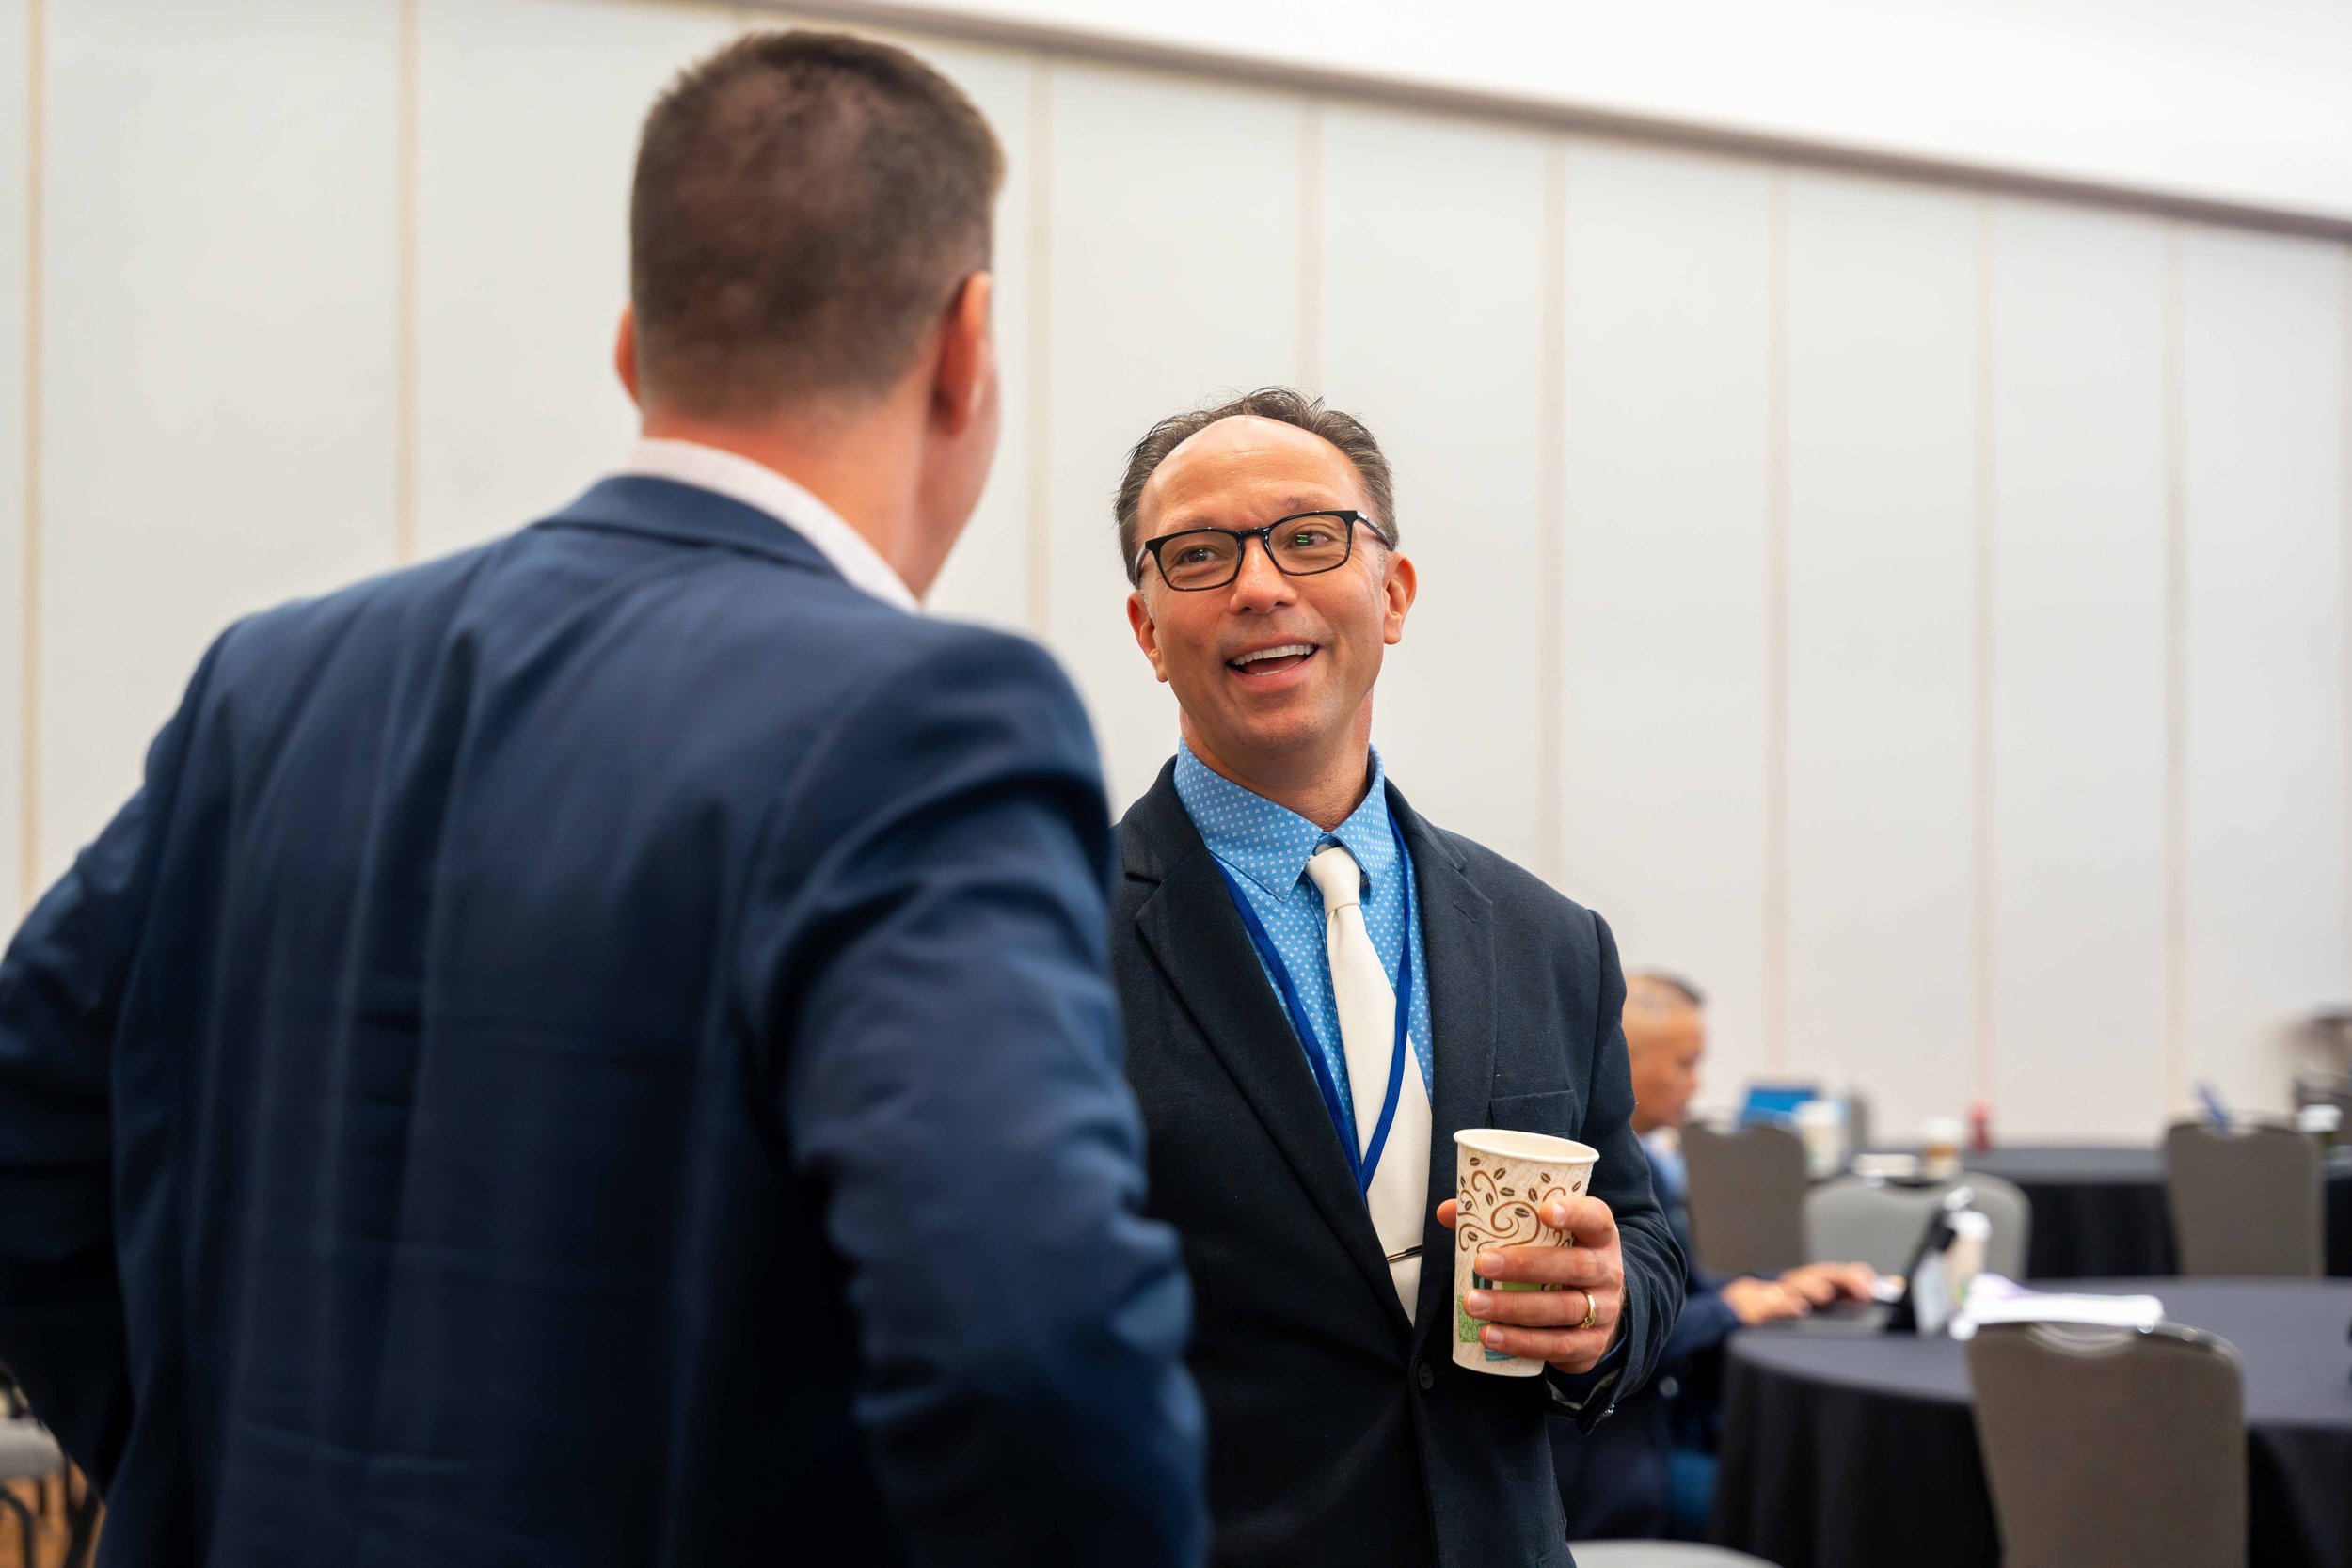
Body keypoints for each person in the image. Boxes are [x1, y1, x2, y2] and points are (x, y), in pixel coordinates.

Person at [0, 32, 1204, 1567]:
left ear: (635, 347)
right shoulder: (926, 722)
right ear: (967, 347)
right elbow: (1031, 1353)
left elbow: (27, 1120)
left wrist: (205, 1473)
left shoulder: (274, 684)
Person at [1104, 387, 1684, 1566]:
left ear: (1393, 592)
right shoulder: (1049, 937)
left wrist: (1607, 1310)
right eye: (1201, 556)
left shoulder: (1549, 938)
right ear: (1148, 630)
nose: (1260, 585)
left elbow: (1640, 1229)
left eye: (1309, 538)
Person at [1550, 972, 1875, 1540]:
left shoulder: (1649, 1163)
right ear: (1624, 1061)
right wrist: (1735, 1308)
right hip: (1609, 1463)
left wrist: (1784, 1284)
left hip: (1662, 1431)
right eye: (1685, 1063)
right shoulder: (1581, 1183)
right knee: (1797, 1506)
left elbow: (1680, 1286)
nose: (1697, 1084)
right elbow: (1616, 1332)